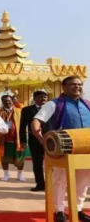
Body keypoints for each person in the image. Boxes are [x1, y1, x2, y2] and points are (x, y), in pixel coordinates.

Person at [31, 76, 90, 222]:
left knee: (83, 181)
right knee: (59, 181)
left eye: (79, 84)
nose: (77, 87)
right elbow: (37, 120)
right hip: (62, 148)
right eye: (72, 84)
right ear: (63, 87)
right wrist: (38, 134)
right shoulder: (54, 104)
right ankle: (59, 211)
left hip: (85, 149)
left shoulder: (87, 104)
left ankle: (77, 209)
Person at [20, 90, 48, 192]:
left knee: (52, 162)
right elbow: (23, 126)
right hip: (34, 140)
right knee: (37, 163)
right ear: (34, 99)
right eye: (40, 97)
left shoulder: (52, 109)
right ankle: (40, 184)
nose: (43, 99)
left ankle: (52, 184)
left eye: (45, 97)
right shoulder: (27, 110)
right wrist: (23, 140)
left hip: (49, 139)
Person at [0, 95, 25, 182]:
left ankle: (20, 174)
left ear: (12, 101)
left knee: (20, 157)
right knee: (4, 157)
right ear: (2, 102)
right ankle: (6, 174)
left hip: (17, 138)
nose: (7, 102)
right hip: (4, 138)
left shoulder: (20, 111)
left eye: (9, 100)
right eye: (5, 101)